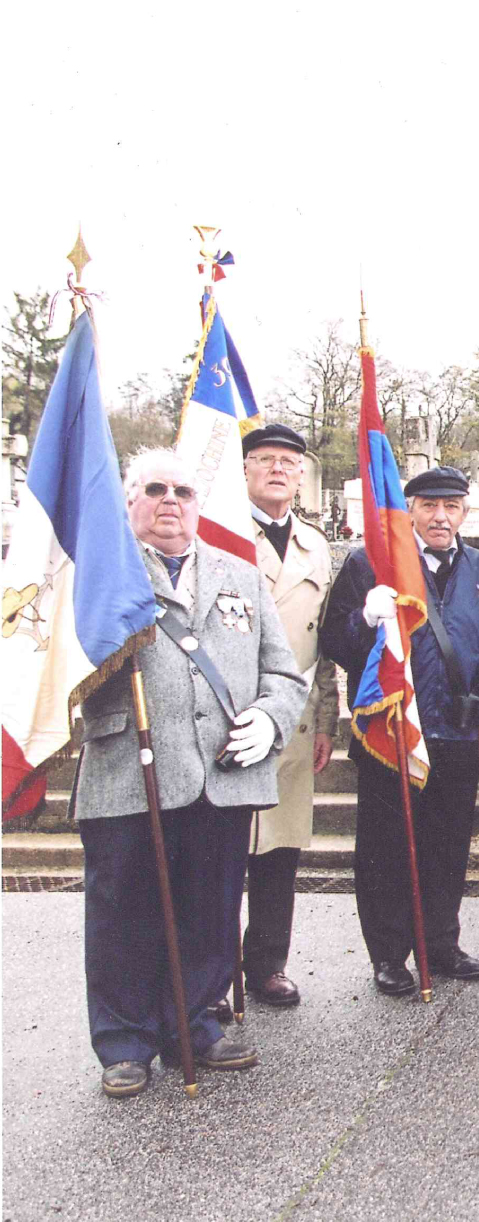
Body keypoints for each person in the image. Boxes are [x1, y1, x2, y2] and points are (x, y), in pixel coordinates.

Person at [76, 448, 307, 1096]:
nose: (171, 501)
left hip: (220, 771)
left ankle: (197, 1023)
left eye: (182, 490)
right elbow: (63, 677)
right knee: (124, 912)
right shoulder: (101, 578)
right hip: (130, 767)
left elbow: (284, 673)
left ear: (200, 503)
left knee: (209, 906)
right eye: (155, 489)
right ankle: (124, 1041)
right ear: (130, 502)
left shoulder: (239, 574)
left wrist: (269, 717)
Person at [323, 466, 479, 995]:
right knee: (385, 847)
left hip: (456, 730)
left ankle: (440, 942)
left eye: (452, 506)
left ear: (465, 513)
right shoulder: (372, 565)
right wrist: (365, 617)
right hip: (393, 732)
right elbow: (336, 642)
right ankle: (389, 953)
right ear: (410, 510)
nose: (441, 517)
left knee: (446, 844)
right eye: (429, 506)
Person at [236, 422, 337, 1008]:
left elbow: (319, 646)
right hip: (229, 716)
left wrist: (326, 721)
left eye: (288, 462)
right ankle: (215, 971)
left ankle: (268, 963)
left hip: (294, 720)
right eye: (265, 459)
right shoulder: (218, 533)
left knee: (281, 850)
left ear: (301, 475)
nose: (277, 469)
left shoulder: (315, 544)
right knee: (223, 853)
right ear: (245, 469)